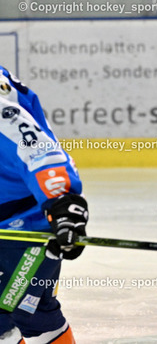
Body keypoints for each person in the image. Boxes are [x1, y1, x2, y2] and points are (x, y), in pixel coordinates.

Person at [0, 65, 88, 344]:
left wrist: (63, 202)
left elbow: (38, 149)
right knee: (20, 317)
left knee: (26, 312)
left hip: (24, 220)